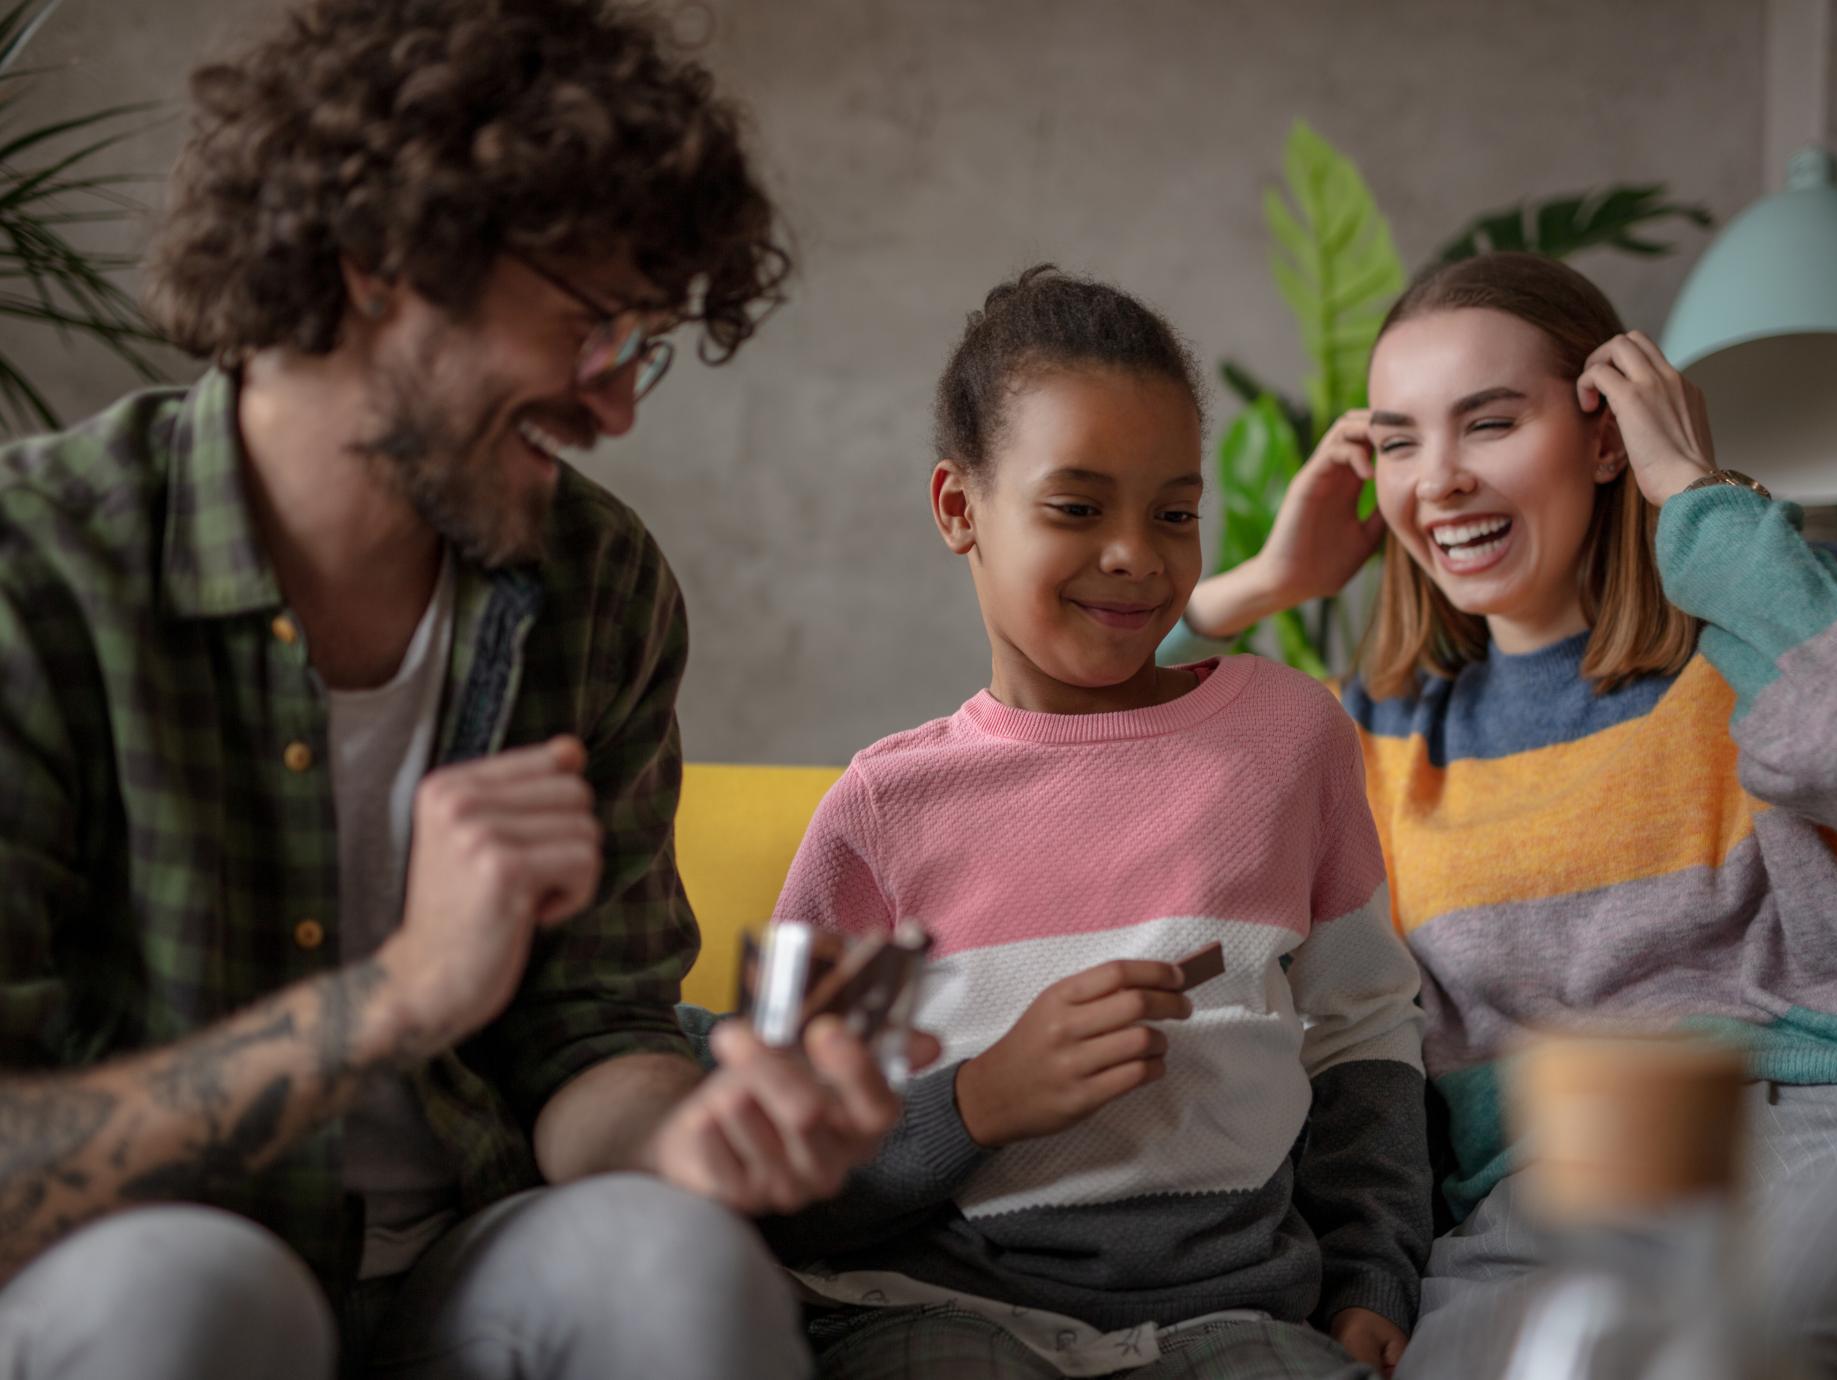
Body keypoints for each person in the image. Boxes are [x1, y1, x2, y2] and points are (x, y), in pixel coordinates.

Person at [0, 1, 911, 1376]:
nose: (618, 408)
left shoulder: (594, 583)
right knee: (191, 1299)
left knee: (674, 1264)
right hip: (134, 1263)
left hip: (462, 1261)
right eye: (592, 329)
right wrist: (395, 998)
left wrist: (689, 1135)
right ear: (380, 263)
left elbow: (591, 1030)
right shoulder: (38, 573)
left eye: (641, 348)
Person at [1163, 251, 1837, 1377]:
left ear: (1605, 434)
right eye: (1400, 441)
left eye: (1489, 423)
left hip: (1819, 1127)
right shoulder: (1373, 735)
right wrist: (1256, 586)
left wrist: (1695, 495)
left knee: (1780, 1355)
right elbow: (1121, 750)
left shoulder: (1752, 629)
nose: (1439, 478)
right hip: (1532, 1202)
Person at [758, 265, 1429, 1380]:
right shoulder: (878, 814)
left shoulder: (1286, 739)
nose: (1136, 553)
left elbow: (1364, 1036)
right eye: (1076, 508)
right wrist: (974, 1103)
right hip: (937, 1311)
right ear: (958, 509)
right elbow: (773, 1170)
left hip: (1235, 1323)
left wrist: (1372, 1272)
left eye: (1174, 512)